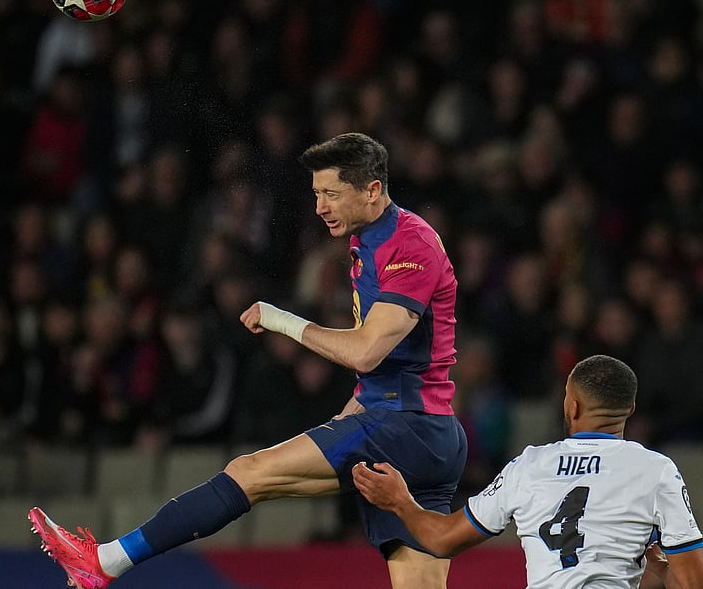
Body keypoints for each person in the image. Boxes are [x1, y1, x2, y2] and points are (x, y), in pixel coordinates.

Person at [30, 132, 466, 588]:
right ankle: (101, 565)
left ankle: (102, 563)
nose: (320, 207)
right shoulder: (369, 240)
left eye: (332, 194)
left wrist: (282, 320)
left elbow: (368, 350)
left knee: (248, 473)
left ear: (373, 190)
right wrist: (349, 414)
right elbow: (391, 365)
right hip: (419, 432)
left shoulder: (409, 245)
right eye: (317, 194)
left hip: (406, 429)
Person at [353, 355, 703, 589]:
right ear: (630, 408)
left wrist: (400, 502)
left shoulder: (528, 465)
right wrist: (662, 574)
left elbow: (442, 540)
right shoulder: (656, 471)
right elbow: (695, 583)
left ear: (572, 405)